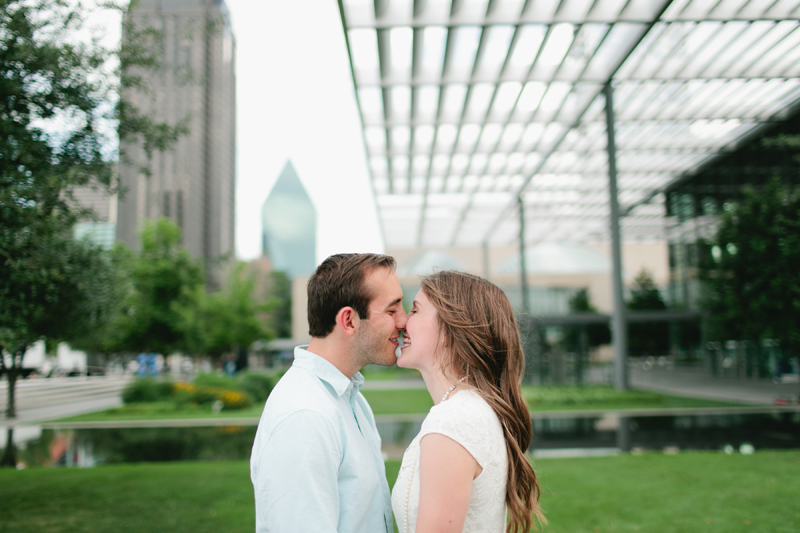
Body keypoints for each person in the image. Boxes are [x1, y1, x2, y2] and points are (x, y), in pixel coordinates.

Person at [250, 253, 407, 533]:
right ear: (349, 321)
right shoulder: (305, 416)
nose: (404, 321)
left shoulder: (351, 399)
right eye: (392, 310)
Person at [392, 270, 546, 533]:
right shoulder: (473, 409)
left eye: (415, 311)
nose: (403, 321)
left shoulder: (454, 420)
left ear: (451, 330)